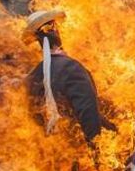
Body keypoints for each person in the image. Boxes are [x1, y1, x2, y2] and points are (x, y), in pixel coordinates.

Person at [23, 10, 110, 143]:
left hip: (49, 149)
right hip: (76, 148)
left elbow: (32, 114)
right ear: (56, 32)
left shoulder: (34, 74)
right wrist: (97, 148)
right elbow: (87, 111)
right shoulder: (71, 68)